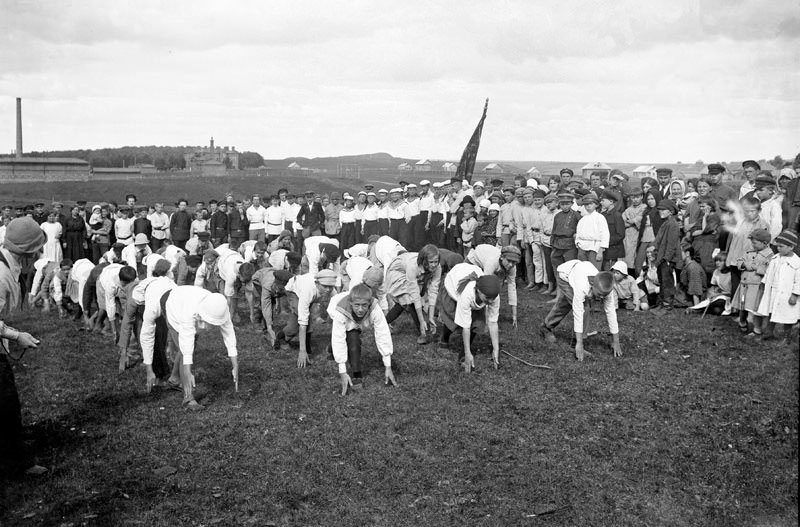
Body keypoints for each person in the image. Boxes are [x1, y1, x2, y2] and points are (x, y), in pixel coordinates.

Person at [0, 217, 47, 477]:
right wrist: (17, 336)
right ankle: (16, 463)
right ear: (28, 251)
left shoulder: (8, 263)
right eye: (37, 248)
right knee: (7, 406)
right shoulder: (2, 274)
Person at [143, 285, 238, 410]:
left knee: (189, 347)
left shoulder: (220, 307)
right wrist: (188, 372)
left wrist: (235, 365)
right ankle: (188, 399)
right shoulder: (188, 314)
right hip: (173, 306)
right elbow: (186, 347)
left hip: (185, 298)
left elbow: (229, 334)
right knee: (185, 350)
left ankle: (174, 379)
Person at [540, 260, 622, 361]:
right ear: (592, 285)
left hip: (576, 273)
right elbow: (578, 313)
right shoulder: (582, 287)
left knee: (564, 304)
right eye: (600, 294)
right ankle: (576, 344)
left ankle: (546, 326)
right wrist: (580, 343)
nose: (601, 298)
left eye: (604, 295)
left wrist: (616, 341)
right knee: (584, 308)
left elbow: (611, 312)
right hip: (564, 275)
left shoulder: (607, 290)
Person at [328, 283, 397, 395]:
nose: (360, 309)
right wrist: (342, 371)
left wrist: (388, 366)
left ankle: (333, 350)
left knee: (352, 338)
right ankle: (356, 373)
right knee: (351, 338)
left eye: (364, 305)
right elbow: (338, 338)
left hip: (355, 320)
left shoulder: (375, 308)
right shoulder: (340, 311)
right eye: (357, 305)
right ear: (351, 303)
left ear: (369, 303)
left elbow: (383, 334)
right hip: (338, 311)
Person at [438, 263, 502, 373]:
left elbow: (492, 322)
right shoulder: (467, 293)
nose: (491, 301)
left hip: (473, 286)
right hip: (453, 285)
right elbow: (465, 327)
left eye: (493, 298)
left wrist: (496, 349)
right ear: (478, 291)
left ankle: (462, 355)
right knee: (453, 320)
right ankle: (444, 339)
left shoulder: (493, 296)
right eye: (488, 298)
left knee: (477, 324)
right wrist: (469, 354)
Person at [382, 244, 441, 345]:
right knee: (410, 300)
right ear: (424, 261)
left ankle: (381, 324)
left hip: (412, 273)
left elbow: (433, 291)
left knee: (404, 302)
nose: (434, 265)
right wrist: (422, 320)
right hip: (398, 272)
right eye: (431, 262)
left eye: (436, 262)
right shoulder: (413, 266)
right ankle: (423, 332)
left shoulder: (437, 267)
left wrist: (431, 317)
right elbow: (415, 296)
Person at [280, 269, 338, 368]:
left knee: (306, 318)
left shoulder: (332, 291)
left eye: (331, 286)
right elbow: (303, 322)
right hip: (293, 290)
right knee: (300, 320)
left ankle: (307, 347)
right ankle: (282, 337)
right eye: (325, 286)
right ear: (317, 283)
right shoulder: (308, 291)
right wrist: (302, 351)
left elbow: (338, 306)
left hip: (308, 294)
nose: (328, 289)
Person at [757, 230, 800, 345]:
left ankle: (786, 337)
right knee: (772, 312)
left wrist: (795, 294)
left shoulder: (796, 262)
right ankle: (769, 332)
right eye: (777, 246)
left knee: (788, 316)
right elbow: (769, 273)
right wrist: (764, 284)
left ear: (791, 247)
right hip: (774, 291)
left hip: (787, 293)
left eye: (781, 246)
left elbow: (798, 281)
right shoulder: (775, 258)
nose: (778, 248)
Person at [465, 244, 521, 327]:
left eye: (514, 262)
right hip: (475, 257)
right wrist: (488, 321)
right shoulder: (492, 262)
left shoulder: (512, 267)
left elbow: (512, 287)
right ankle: (471, 310)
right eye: (509, 261)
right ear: (502, 257)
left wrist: (514, 316)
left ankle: (481, 314)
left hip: (488, 258)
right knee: (469, 283)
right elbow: (486, 288)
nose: (511, 265)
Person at [732, 229, 772, 336]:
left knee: (755, 308)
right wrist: (744, 265)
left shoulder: (769, 255)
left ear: (764, 243)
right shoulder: (749, 252)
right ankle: (742, 321)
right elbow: (740, 261)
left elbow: (768, 270)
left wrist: (754, 267)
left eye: (755, 243)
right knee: (743, 305)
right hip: (744, 284)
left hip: (756, 286)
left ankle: (756, 329)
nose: (752, 245)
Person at [251, 267, 293, 347]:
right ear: (275, 284)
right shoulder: (267, 285)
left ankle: (268, 327)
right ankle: (258, 322)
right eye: (277, 289)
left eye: (281, 289)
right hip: (258, 280)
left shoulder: (290, 284)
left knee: (272, 301)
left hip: (271, 277)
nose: (278, 291)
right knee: (263, 304)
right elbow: (266, 306)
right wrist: (270, 328)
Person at [575, 194, 609, 269]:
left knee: (594, 271)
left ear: (596, 205)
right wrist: (578, 243)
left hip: (594, 247)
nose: (588, 206)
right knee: (583, 271)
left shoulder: (600, 217)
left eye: (590, 204)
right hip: (582, 247)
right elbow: (578, 233)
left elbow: (605, 234)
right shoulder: (582, 219)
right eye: (586, 204)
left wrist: (600, 251)